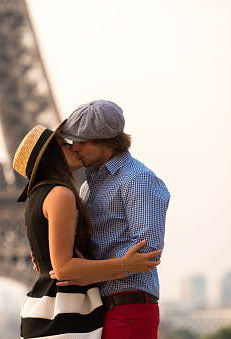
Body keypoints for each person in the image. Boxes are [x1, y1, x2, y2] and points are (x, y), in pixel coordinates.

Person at [12, 120, 162, 339]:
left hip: (44, 311)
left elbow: (54, 261)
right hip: (64, 312)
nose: (73, 146)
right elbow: (63, 269)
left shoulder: (38, 196)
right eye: (64, 143)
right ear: (50, 156)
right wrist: (123, 264)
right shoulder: (61, 194)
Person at [55, 100, 171, 339]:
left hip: (130, 307)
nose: (73, 146)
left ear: (107, 143)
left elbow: (148, 252)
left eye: (82, 141)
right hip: (100, 308)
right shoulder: (88, 186)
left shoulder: (138, 180)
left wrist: (88, 275)